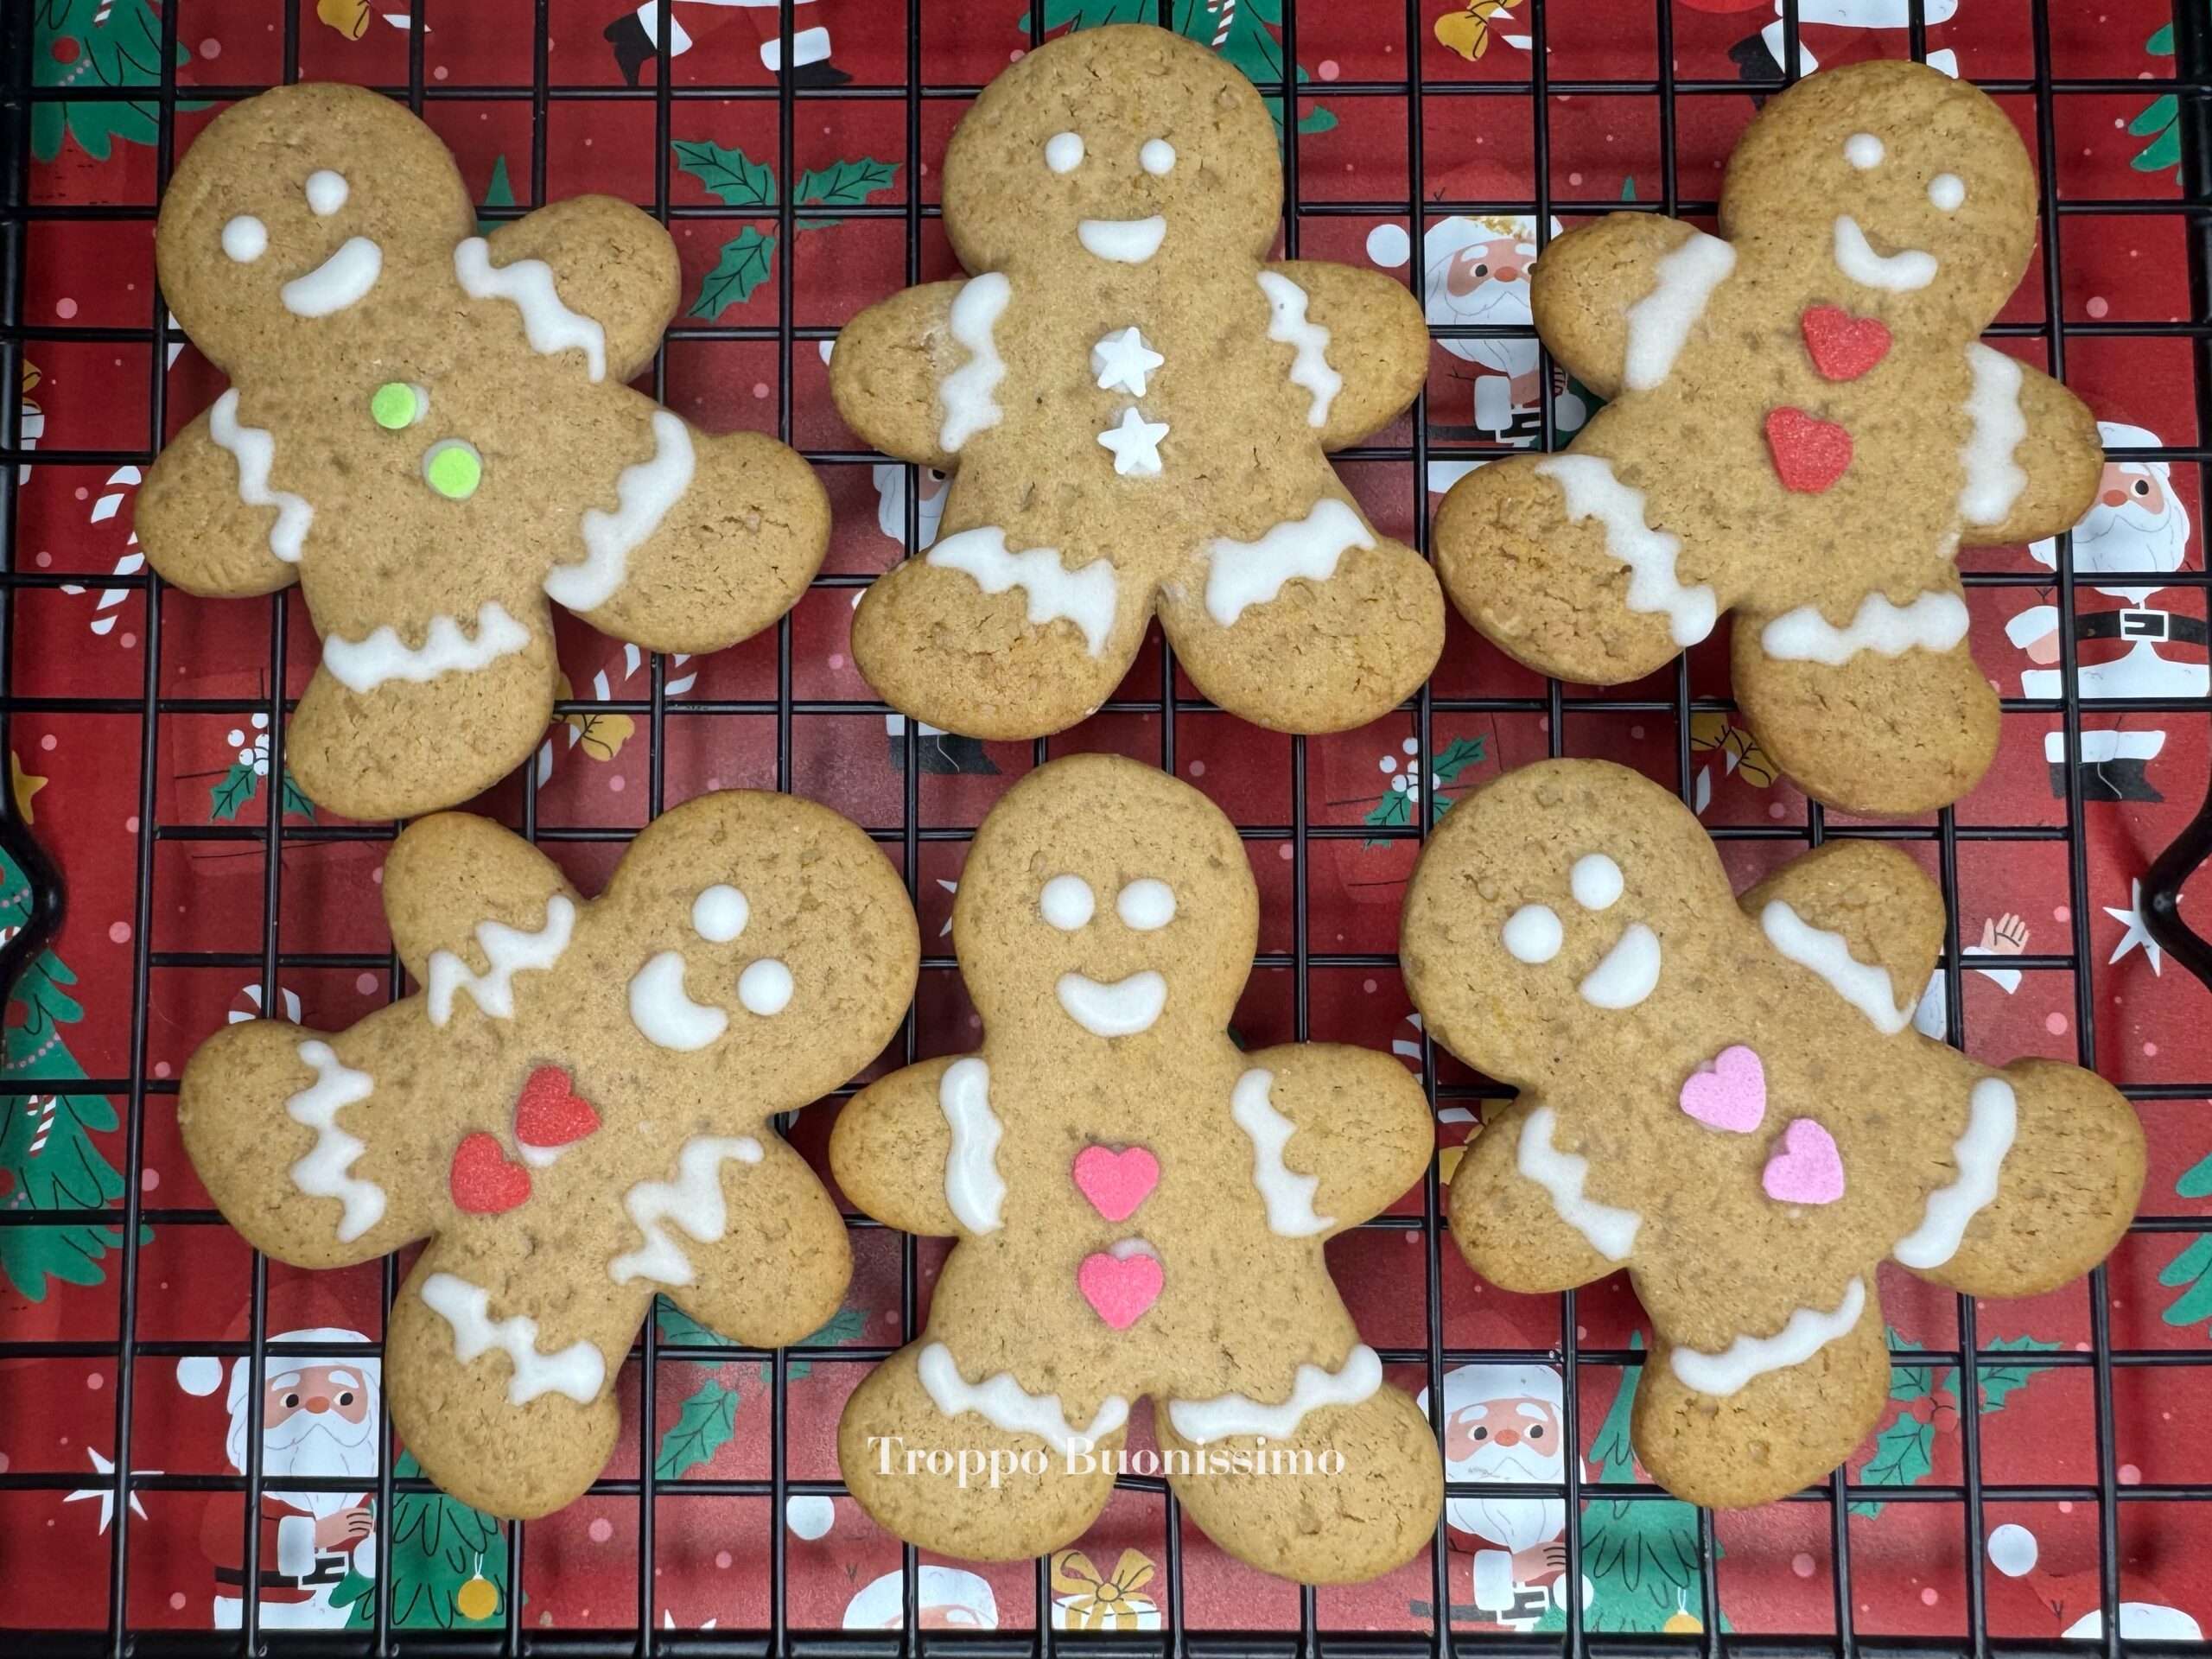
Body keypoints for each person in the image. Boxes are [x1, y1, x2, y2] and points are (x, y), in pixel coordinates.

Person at [179, 1297, 381, 1631]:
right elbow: (220, 1538)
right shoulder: (243, 1483)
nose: (318, 1408)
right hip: (257, 1610)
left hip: (339, 1610)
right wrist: (315, 1535)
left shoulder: (360, 1480)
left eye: (344, 1398)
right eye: (290, 1399)